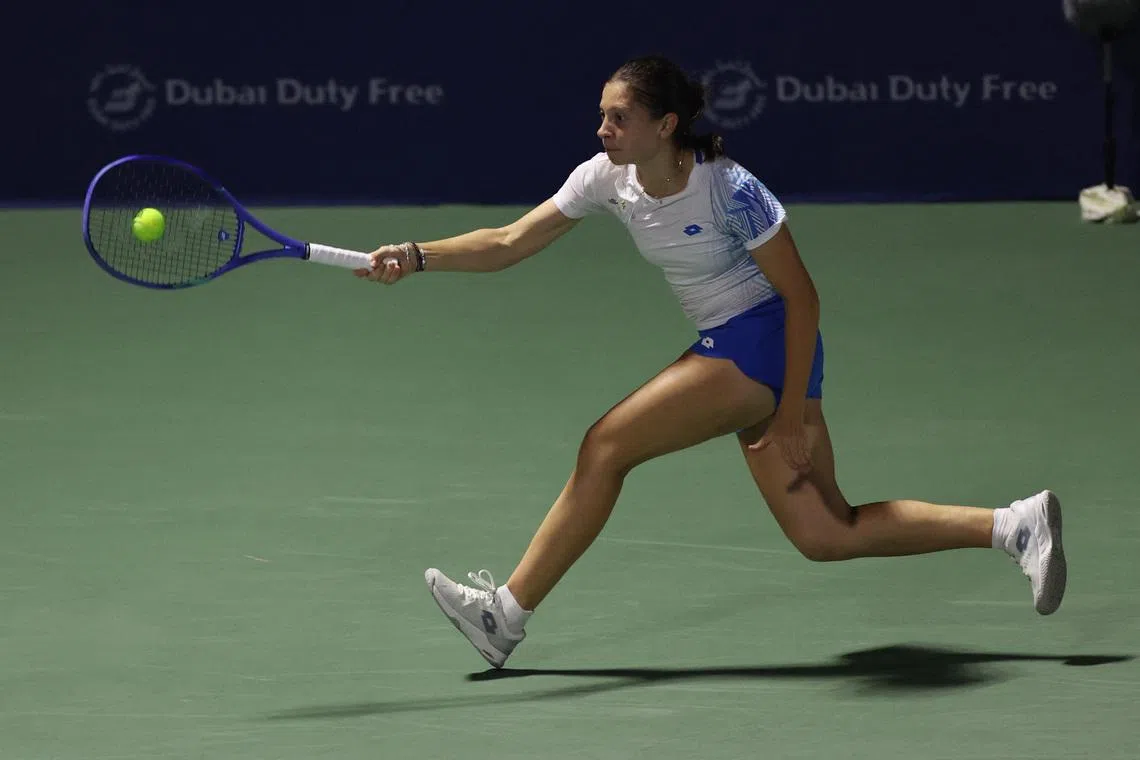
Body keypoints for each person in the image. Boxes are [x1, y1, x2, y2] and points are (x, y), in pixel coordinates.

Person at [353, 55, 1067, 670]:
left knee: (605, 446)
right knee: (826, 533)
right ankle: (1014, 526)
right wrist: (418, 257)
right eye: (601, 115)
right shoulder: (606, 178)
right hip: (746, 349)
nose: (603, 129)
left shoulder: (731, 189)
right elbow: (510, 241)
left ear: (666, 126)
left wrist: (791, 410)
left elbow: (804, 298)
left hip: (763, 340)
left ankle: (503, 615)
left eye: (619, 117)